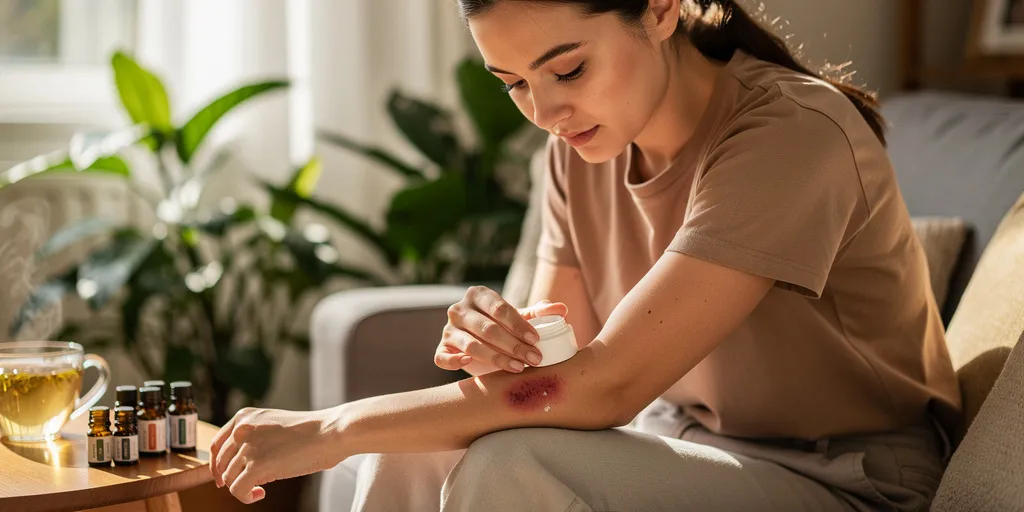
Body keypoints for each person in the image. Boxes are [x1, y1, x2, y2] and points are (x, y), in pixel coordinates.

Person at [210, 1, 962, 510]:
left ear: (660, 9)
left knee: (506, 466)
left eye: (567, 70)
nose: (545, 112)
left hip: (848, 476)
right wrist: (494, 343)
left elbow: (605, 386)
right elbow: (550, 370)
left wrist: (332, 427)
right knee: (406, 452)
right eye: (514, 84)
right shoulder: (578, 150)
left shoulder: (790, 133)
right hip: (680, 443)